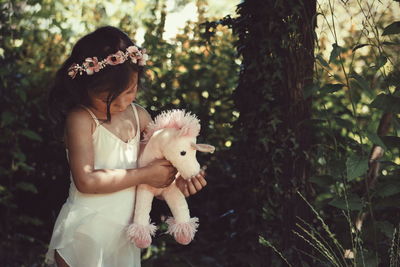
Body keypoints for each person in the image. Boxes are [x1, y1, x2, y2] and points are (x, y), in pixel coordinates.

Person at [45, 25, 207, 267]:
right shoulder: (81, 119)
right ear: (84, 89)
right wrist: (147, 174)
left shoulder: (139, 116)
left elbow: (151, 176)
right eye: (106, 97)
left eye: (129, 91)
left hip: (123, 236)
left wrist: (173, 183)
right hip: (86, 232)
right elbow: (86, 180)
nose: (120, 103)